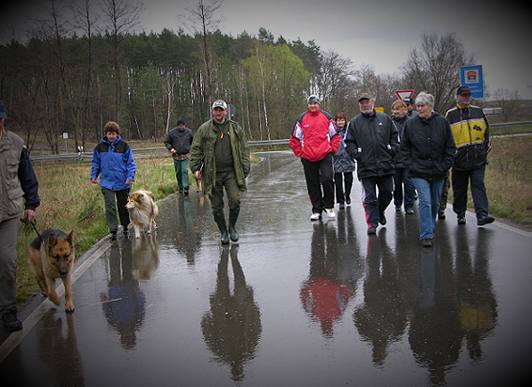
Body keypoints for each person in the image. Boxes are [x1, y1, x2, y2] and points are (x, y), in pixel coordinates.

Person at [0, 100, 40, 332]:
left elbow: (28, 177)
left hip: (8, 211)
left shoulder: (17, 144)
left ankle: (8, 310)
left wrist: (31, 205)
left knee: (7, 262)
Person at [190, 99, 250, 245]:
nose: (218, 112)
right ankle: (223, 231)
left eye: (221, 110)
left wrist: (245, 167)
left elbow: (243, 149)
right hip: (212, 173)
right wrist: (196, 168)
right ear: (212, 111)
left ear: (225, 111)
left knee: (235, 201)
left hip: (231, 172)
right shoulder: (204, 129)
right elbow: (196, 149)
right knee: (216, 206)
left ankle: (232, 227)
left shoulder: (235, 128)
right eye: (216, 110)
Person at [400, 92, 456, 247]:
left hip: (439, 170)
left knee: (435, 202)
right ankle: (426, 234)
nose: (420, 109)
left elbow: (450, 147)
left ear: (430, 106)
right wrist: (410, 165)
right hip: (418, 171)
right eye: (418, 106)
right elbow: (404, 148)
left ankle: (429, 227)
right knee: (425, 201)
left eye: (423, 106)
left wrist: (445, 165)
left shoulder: (442, 122)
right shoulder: (410, 124)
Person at [345, 93, 398, 235]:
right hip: (366, 166)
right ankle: (372, 224)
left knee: (387, 193)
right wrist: (357, 154)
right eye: (362, 103)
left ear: (372, 102)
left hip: (386, 165)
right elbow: (348, 143)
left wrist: (392, 150)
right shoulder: (354, 123)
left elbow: (395, 136)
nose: (365, 105)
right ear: (359, 105)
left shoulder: (385, 119)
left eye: (367, 102)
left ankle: (380, 211)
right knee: (370, 197)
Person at [445, 85, 495, 226]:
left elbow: (486, 133)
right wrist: (450, 155)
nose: (466, 98)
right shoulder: (450, 115)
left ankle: (482, 215)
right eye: (463, 95)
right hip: (459, 160)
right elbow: (446, 136)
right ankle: (460, 214)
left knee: (478, 185)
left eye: (468, 95)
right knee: (460, 189)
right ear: (457, 97)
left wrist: (484, 150)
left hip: (477, 158)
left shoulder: (478, 112)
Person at [290, 95, 340, 221]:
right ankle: (316, 209)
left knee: (328, 178)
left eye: (315, 103)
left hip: (325, 154)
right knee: (312, 184)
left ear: (319, 104)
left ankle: (329, 206)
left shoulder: (327, 117)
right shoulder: (301, 119)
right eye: (310, 103)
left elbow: (335, 135)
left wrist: (333, 149)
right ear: (308, 105)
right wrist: (300, 153)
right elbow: (294, 138)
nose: (313, 105)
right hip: (308, 156)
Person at [90, 121, 136, 241]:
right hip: (107, 182)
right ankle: (113, 230)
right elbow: (95, 163)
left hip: (123, 182)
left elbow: (131, 163)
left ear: (117, 134)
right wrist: (93, 176)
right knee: (110, 206)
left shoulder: (124, 146)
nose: (111, 136)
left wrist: (130, 177)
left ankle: (125, 226)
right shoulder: (99, 147)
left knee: (123, 206)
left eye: (113, 134)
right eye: (109, 134)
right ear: (106, 134)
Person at [390, 99, 416, 214]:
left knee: (409, 184)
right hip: (394, 159)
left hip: (409, 159)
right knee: (397, 185)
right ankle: (397, 203)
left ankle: (409, 206)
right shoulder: (389, 123)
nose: (396, 112)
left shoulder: (411, 122)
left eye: (398, 109)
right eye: (394, 109)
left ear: (405, 110)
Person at [164, 118, 194, 196]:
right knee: (178, 172)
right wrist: (171, 148)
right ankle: (180, 187)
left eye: (183, 125)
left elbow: (192, 141)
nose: (181, 127)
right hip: (176, 156)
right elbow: (166, 142)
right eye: (180, 125)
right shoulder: (172, 133)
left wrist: (190, 148)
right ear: (177, 126)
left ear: (185, 125)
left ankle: (186, 188)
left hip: (185, 156)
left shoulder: (189, 132)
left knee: (184, 171)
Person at [332, 112, 356, 210]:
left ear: (345, 121)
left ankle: (347, 195)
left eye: (342, 120)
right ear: (336, 121)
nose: (340, 122)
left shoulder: (349, 131)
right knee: (338, 182)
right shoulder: (333, 131)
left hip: (347, 157)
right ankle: (340, 200)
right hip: (337, 158)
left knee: (348, 179)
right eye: (338, 120)